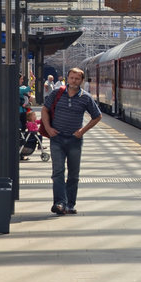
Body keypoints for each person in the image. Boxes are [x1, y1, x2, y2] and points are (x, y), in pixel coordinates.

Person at [42, 67, 102, 215]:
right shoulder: (57, 93)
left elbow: (97, 116)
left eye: (77, 79)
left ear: (82, 81)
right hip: (57, 139)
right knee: (58, 171)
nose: (74, 81)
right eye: (71, 78)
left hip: (75, 140)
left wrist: (82, 131)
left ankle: (70, 204)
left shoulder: (86, 97)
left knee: (73, 174)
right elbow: (44, 109)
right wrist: (48, 128)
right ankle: (59, 203)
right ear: (67, 78)